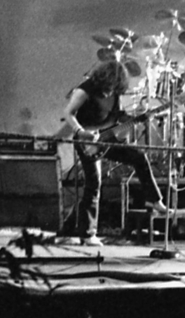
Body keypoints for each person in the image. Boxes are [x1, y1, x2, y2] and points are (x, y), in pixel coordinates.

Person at [60, 59, 169, 245]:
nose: (111, 92)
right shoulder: (85, 90)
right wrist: (81, 132)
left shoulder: (115, 94)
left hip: (107, 138)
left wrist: (140, 117)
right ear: (105, 79)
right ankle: (87, 234)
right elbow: (69, 113)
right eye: (111, 86)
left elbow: (118, 118)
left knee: (139, 157)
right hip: (86, 140)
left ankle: (154, 199)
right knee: (94, 183)